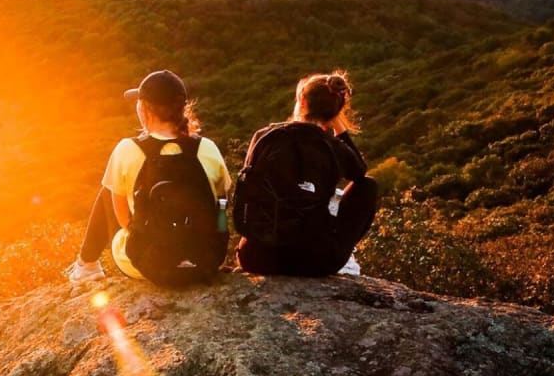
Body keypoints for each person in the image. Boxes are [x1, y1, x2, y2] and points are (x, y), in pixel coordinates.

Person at [66, 69, 233, 284]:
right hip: (206, 260)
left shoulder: (127, 149)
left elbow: (124, 220)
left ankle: (87, 265)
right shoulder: (207, 148)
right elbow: (222, 203)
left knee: (110, 190)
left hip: (150, 263)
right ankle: (87, 264)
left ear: (144, 109)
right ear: (182, 108)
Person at [235, 70, 379, 276]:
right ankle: (336, 251)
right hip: (314, 262)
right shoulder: (334, 147)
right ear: (336, 112)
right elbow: (360, 174)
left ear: (302, 101)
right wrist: (336, 124)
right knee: (368, 186)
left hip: (258, 257)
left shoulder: (265, 136)